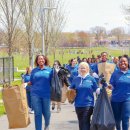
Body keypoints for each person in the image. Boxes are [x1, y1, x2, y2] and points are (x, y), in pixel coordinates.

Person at [69, 62, 100, 130]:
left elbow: (97, 89)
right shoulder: (76, 79)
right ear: (78, 69)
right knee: (81, 123)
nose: (82, 69)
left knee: (85, 121)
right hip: (78, 105)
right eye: (80, 68)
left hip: (88, 105)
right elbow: (70, 89)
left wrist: (104, 90)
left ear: (88, 69)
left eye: (84, 68)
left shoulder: (91, 78)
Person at [29, 54, 52, 130]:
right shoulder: (34, 71)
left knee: (47, 113)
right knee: (37, 114)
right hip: (35, 95)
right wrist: (25, 84)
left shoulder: (50, 70)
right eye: (39, 59)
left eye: (42, 59)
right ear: (37, 61)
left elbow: (54, 82)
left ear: (45, 60)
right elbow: (31, 82)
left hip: (46, 95)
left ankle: (47, 125)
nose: (41, 60)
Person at [109, 56, 130, 130]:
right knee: (117, 120)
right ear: (118, 63)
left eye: (125, 61)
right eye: (121, 61)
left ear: (128, 63)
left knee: (125, 118)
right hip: (115, 100)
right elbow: (111, 85)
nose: (123, 63)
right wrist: (106, 85)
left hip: (127, 100)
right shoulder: (115, 74)